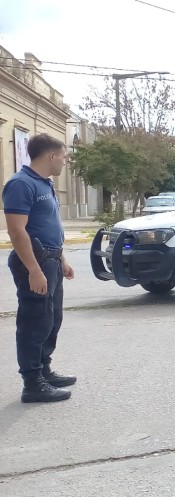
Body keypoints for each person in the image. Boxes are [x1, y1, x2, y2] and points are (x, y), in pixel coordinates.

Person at [3, 133, 76, 403]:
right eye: (64, 157)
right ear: (51, 155)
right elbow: (17, 230)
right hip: (34, 262)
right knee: (34, 321)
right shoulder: (21, 184)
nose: (65, 162)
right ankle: (32, 383)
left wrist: (62, 258)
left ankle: (44, 370)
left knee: (51, 319)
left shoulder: (45, 184)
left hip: (51, 260)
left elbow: (48, 228)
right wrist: (34, 269)